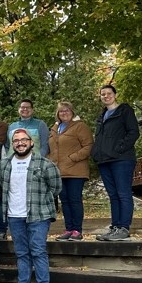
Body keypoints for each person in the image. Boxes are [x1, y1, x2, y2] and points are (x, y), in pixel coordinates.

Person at [1, 129, 62, 283]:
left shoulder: (45, 164)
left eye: (24, 140)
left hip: (38, 215)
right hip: (14, 215)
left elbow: (56, 187)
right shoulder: (5, 164)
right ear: (12, 144)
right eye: (16, 141)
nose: (20, 143)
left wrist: (41, 202)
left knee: (38, 251)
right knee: (21, 254)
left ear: (32, 142)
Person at [91, 84, 140, 242]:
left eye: (109, 93)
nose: (106, 96)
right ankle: (116, 227)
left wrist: (119, 149)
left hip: (122, 159)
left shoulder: (124, 110)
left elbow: (134, 132)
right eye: (102, 94)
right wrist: (96, 153)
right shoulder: (102, 116)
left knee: (123, 193)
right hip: (104, 160)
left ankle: (124, 227)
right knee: (113, 195)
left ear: (115, 94)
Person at [48, 101, 94, 241]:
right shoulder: (55, 128)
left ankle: (77, 230)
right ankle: (68, 229)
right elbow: (51, 148)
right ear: (58, 114)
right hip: (59, 172)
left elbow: (88, 146)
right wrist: (50, 160)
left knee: (74, 200)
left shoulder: (80, 126)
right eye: (61, 111)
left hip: (76, 171)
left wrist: (73, 157)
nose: (64, 113)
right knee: (64, 201)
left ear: (72, 112)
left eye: (67, 110)